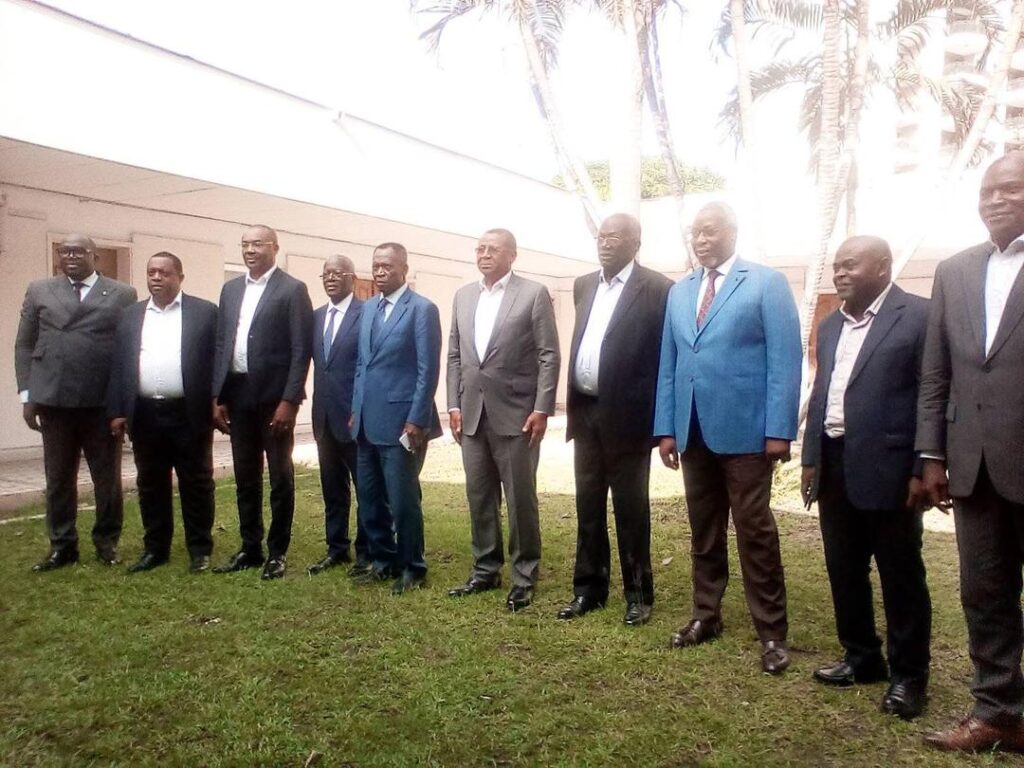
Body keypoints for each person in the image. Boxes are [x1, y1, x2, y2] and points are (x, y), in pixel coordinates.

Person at [653, 202, 801, 674]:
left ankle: (772, 632)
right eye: (695, 232)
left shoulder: (765, 283)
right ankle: (706, 614)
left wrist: (779, 430)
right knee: (704, 530)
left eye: (710, 231)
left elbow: (785, 360)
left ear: (733, 232)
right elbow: (670, 363)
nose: (701, 240)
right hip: (693, 430)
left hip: (747, 432)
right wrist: (666, 428)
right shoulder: (680, 291)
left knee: (755, 530)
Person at [918, 152, 1024, 752]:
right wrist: (931, 455)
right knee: (984, 593)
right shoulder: (954, 270)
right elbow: (937, 372)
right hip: (974, 465)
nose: (995, 200)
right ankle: (997, 712)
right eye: (987, 191)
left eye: (1010, 189)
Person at [801, 235, 932, 719]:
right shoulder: (831, 324)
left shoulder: (918, 315)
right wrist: (810, 458)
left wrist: (923, 465)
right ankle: (861, 657)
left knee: (901, 574)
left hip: (892, 468)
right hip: (834, 462)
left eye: (850, 265)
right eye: (836, 265)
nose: (839, 273)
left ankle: (909, 677)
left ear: (882, 266)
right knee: (843, 567)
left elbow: (930, 393)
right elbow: (822, 392)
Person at [557, 213, 672, 626]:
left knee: (631, 510)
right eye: (601, 236)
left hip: (629, 419)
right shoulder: (583, 284)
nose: (605, 243)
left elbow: (665, 360)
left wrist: (663, 426)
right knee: (588, 507)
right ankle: (588, 589)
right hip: (586, 413)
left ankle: (638, 594)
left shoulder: (659, 289)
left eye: (615, 237)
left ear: (635, 244)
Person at [446, 228, 560, 612]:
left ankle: (524, 576)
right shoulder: (463, 296)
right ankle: (485, 569)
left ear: (512, 254)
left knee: (520, 500)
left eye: (492, 249)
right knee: (479, 497)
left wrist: (542, 408)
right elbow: (455, 356)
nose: (484, 254)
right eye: (479, 248)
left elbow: (548, 354)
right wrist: (453, 404)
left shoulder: (533, 294)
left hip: (517, 415)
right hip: (472, 415)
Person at [15, 233, 137, 571]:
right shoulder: (39, 289)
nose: (70, 256)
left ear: (94, 256)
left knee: (107, 479)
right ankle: (62, 545)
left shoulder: (122, 293)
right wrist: (28, 394)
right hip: (54, 401)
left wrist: (123, 403)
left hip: (101, 403)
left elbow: (128, 350)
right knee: (58, 478)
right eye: (64, 251)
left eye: (78, 251)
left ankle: (106, 542)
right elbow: (24, 344)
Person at [211, 225, 313, 580]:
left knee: (280, 476)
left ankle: (277, 552)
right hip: (238, 395)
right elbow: (223, 343)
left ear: (274, 248)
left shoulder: (292, 289)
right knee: (245, 476)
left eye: (258, 244)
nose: (250, 250)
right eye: (245, 244)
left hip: (274, 399)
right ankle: (250, 547)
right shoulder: (231, 290)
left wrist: (290, 400)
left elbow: (301, 350)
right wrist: (217, 395)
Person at [108, 252, 218, 574]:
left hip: (189, 412)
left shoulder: (204, 313)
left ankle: (200, 549)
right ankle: (156, 549)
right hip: (145, 413)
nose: (156, 278)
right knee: (150, 483)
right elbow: (120, 364)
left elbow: (216, 361)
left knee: (197, 482)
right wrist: (117, 410)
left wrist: (217, 401)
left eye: (164, 273)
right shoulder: (131, 315)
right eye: (151, 272)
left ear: (180, 277)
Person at [350, 242, 442, 595]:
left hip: (402, 423)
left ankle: (413, 567)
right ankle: (383, 561)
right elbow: (362, 365)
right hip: (365, 422)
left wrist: (417, 419)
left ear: (404, 269)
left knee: (403, 502)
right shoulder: (368, 308)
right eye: (375, 265)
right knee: (370, 498)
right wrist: (355, 410)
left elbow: (427, 370)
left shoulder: (421, 309)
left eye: (387, 265)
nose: (380, 271)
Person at [307, 254, 366, 575]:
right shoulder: (316, 317)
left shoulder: (366, 313)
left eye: (337, 273)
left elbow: (367, 367)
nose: (330, 278)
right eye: (326, 274)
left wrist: (360, 409)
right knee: (332, 488)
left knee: (366, 488)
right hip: (324, 418)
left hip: (355, 418)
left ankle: (367, 552)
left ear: (352, 279)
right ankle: (337, 548)